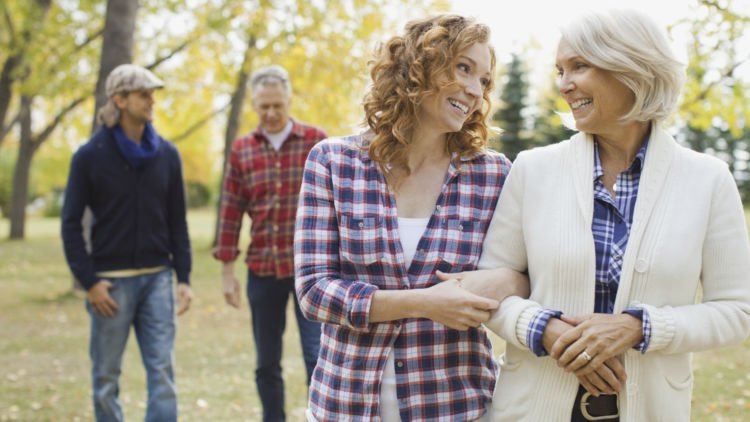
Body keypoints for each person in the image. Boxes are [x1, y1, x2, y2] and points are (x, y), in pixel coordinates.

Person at [469, 9, 750, 421]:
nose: (564, 85)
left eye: (580, 66)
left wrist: (639, 327)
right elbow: (491, 291)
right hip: (532, 409)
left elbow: (737, 312)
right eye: (560, 70)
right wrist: (544, 328)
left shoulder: (707, 180)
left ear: (632, 68)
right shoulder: (533, 169)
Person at [294, 15, 528, 421]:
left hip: (454, 407)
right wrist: (422, 303)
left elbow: (528, 277)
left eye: (484, 81)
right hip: (345, 405)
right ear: (419, 66)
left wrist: (510, 280)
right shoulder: (332, 162)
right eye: (463, 69)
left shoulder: (493, 175)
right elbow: (314, 291)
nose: (475, 91)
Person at [61, 64, 193, 422]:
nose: (152, 101)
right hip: (110, 285)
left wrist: (183, 278)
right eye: (143, 94)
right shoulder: (88, 156)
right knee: (105, 378)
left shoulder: (167, 154)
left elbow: (177, 220)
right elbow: (70, 224)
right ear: (119, 99)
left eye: (153, 93)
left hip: (157, 280)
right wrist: (88, 282)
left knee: (162, 373)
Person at [214, 64, 326, 422]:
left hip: (312, 272)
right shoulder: (243, 149)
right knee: (266, 362)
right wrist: (227, 273)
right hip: (262, 269)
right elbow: (231, 211)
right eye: (264, 107)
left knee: (317, 355)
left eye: (278, 105)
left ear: (289, 100)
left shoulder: (316, 142)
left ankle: (320, 415)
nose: (272, 113)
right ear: (254, 105)